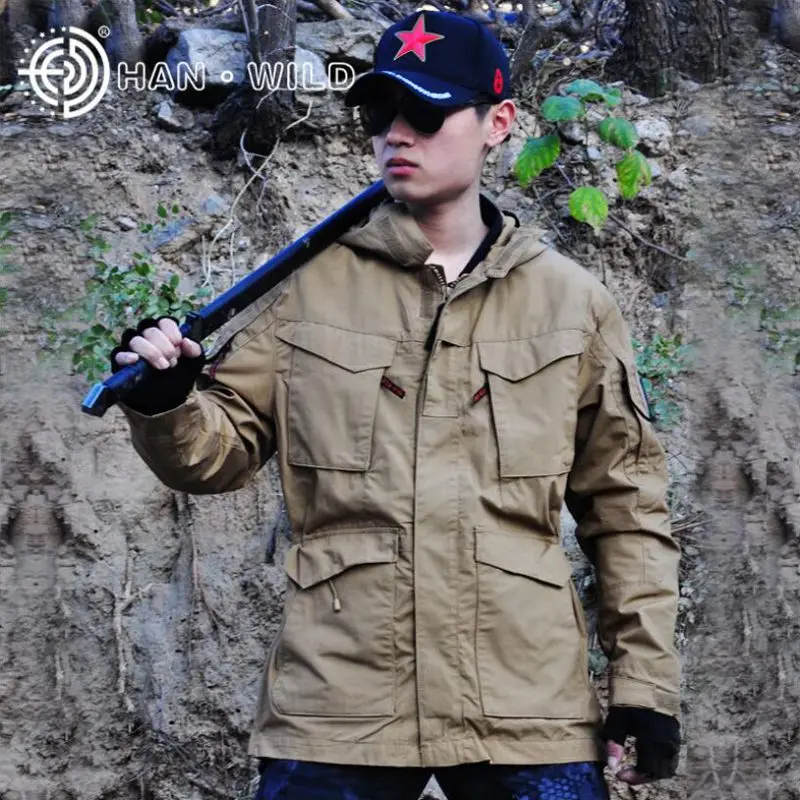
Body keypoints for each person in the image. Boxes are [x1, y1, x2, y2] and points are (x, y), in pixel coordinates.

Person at [111, 10, 681, 800]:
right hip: (339, 707)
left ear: (498, 124)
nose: (396, 134)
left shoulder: (572, 305)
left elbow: (627, 507)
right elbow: (215, 455)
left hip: (526, 709)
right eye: (380, 112)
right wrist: (169, 400)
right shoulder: (306, 291)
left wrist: (645, 688)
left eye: (427, 112)